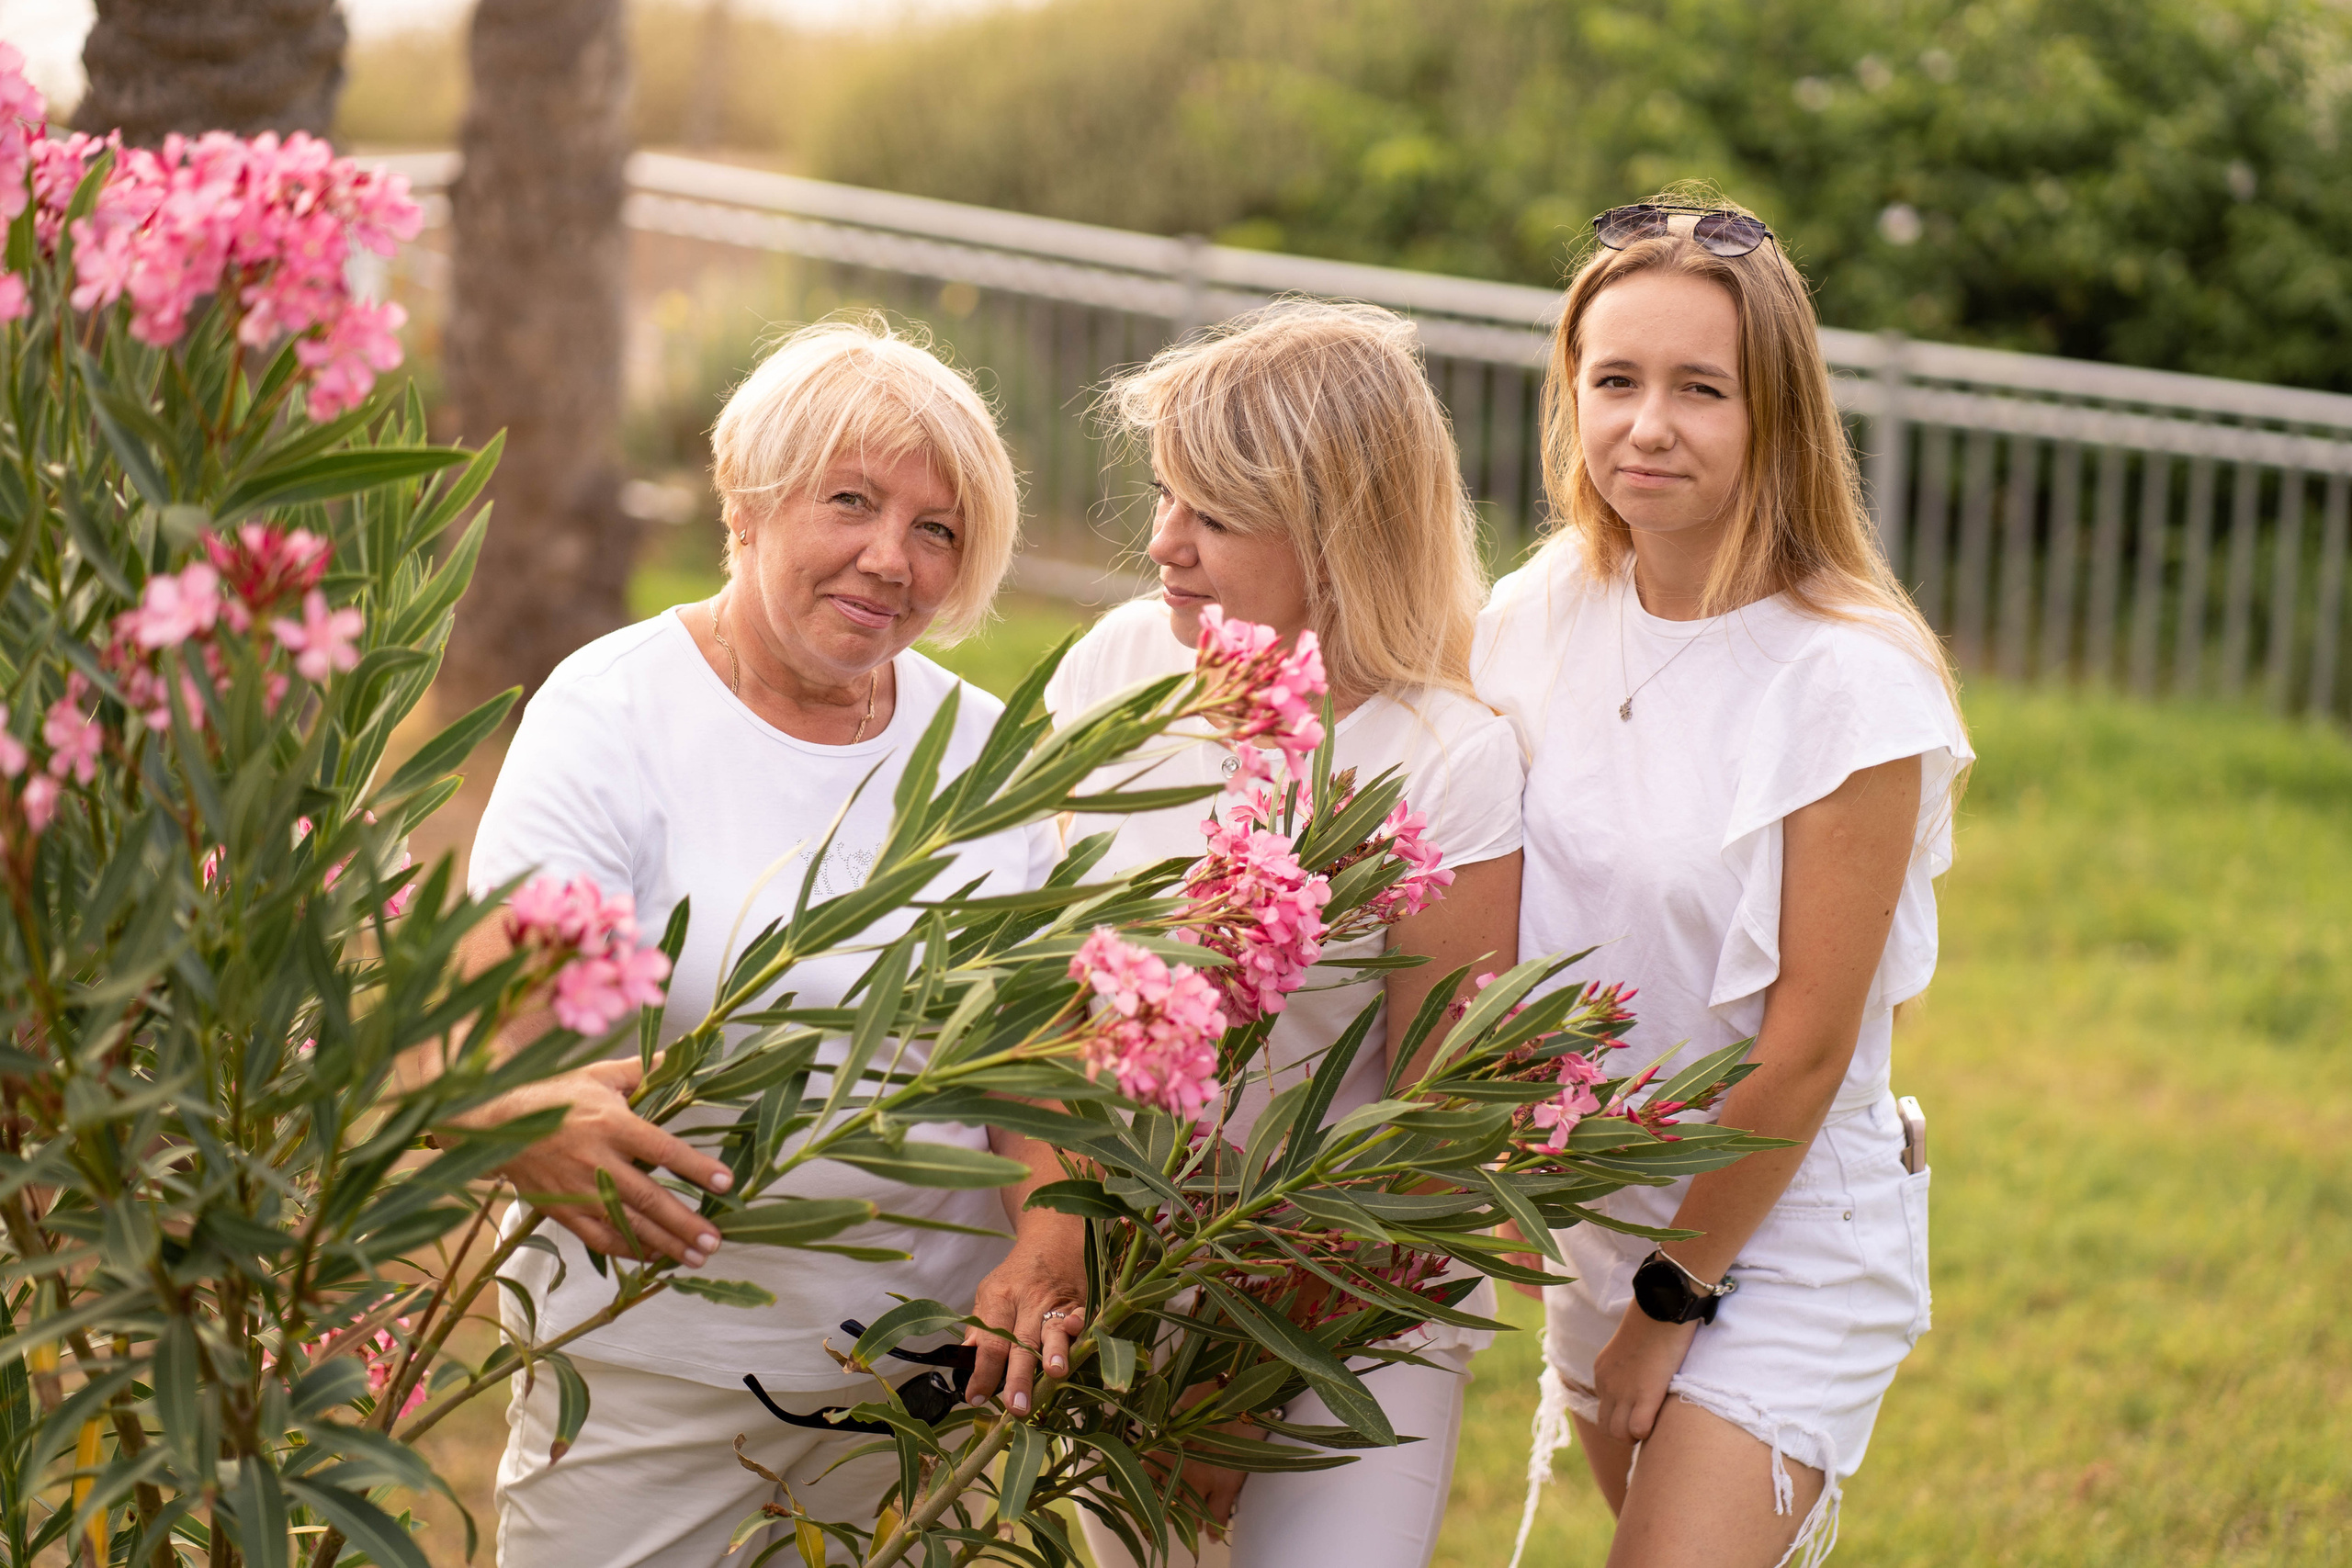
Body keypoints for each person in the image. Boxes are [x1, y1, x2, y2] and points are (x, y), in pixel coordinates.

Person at [461, 318, 1085, 1566]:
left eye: (937, 529)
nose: (889, 559)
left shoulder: (985, 748)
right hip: (645, 1374)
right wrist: (525, 1115)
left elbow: (1031, 1056)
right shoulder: (615, 710)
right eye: (849, 501)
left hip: (915, 1394)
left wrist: (1049, 1236)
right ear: (744, 502)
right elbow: (476, 1039)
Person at [1476, 199, 1973, 1568]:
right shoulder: (1531, 618)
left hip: (1784, 1218)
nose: (1649, 424)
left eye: (1703, 388)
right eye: (1615, 380)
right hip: (1598, 1207)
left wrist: (1667, 1300)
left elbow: (1808, 1051)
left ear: (1778, 415)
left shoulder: (1849, 680)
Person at [1043, 301, 1527, 1568]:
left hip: (1349, 1305)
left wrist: (1238, 1391)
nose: (1162, 544)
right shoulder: (1114, 667)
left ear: (1334, 526)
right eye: (1162, 498)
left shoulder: (1445, 755)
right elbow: (1042, 984)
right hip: (1122, 1271)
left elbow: (1437, 1116)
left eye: (1209, 514)